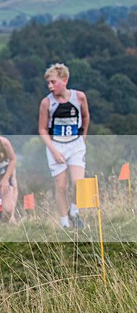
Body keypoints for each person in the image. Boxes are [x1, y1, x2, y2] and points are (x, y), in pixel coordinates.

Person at [38, 63, 89, 229]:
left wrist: (82, 138)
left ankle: (74, 211)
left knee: (78, 182)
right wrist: (53, 151)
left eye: (53, 82)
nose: (50, 86)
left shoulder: (79, 97)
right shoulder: (46, 103)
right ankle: (64, 222)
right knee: (61, 186)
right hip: (56, 146)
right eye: (48, 83)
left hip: (75, 144)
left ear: (64, 80)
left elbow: (86, 117)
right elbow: (42, 129)